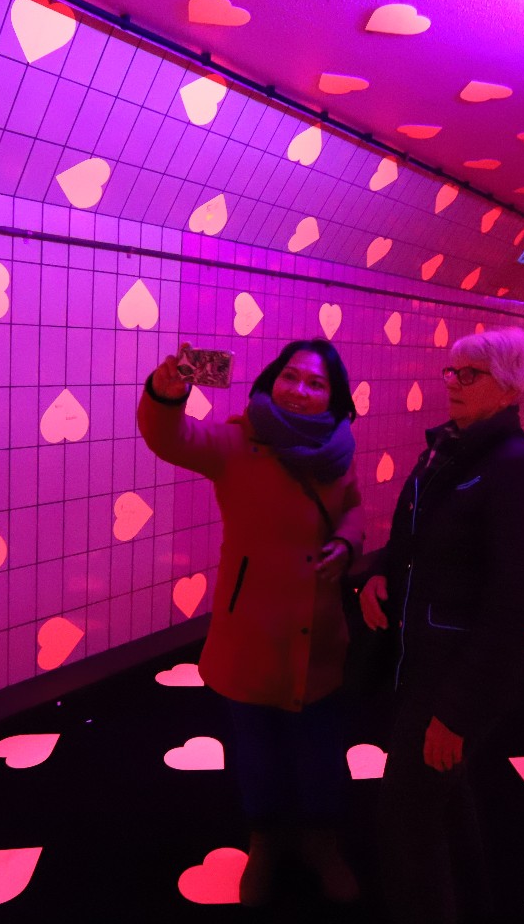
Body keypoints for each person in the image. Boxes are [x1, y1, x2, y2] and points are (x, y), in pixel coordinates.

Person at [139, 340, 365, 905]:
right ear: (270, 381)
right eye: (291, 376)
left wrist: (346, 542)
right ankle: (264, 843)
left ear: (334, 398)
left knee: (320, 752)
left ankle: (322, 843)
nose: (300, 389)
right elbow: (172, 439)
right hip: (252, 633)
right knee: (257, 751)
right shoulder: (238, 441)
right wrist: (166, 395)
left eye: (316, 383)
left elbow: (354, 508)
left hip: (317, 633)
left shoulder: (339, 450)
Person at [358, 327, 524, 924]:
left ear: (509, 387)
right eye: (451, 371)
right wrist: (379, 573)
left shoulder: (518, 469)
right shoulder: (447, 448)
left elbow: (511, 604)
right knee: (442, 797)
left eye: (470, 374)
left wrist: (457, 712)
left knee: (407, 815)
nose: (453, 383)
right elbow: (411, 530)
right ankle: (473, 900)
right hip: (423, 657)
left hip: (454, 677)